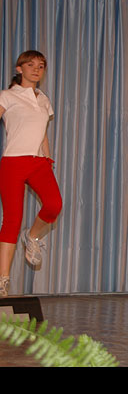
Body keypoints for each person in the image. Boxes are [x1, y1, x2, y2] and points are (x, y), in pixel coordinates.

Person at [0, 51, 63, 297]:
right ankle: (3, 281)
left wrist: (48, 157)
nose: (36, 69)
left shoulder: (43, 99)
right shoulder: (7, 96)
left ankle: (33, 236)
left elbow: (42, 131)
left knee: (54, 205)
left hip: (38, 162)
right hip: (13, 162)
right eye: (31, 65)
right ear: (19, 69)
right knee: (12, 220)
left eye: (41, 66)